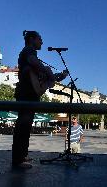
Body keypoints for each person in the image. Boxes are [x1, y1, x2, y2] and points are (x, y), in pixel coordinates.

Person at [12, 30, 67, 169]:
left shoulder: (31, 56)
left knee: (25, 126)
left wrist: (56, 77)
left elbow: (40, 74)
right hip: (26, 94)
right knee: (23, 126)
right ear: (32, 39)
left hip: (29, 94)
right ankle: (18, 159)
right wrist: (48, 70)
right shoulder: (29, 50)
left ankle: (22, 155)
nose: (42, 42)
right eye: (40, 39)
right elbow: (32, 61)